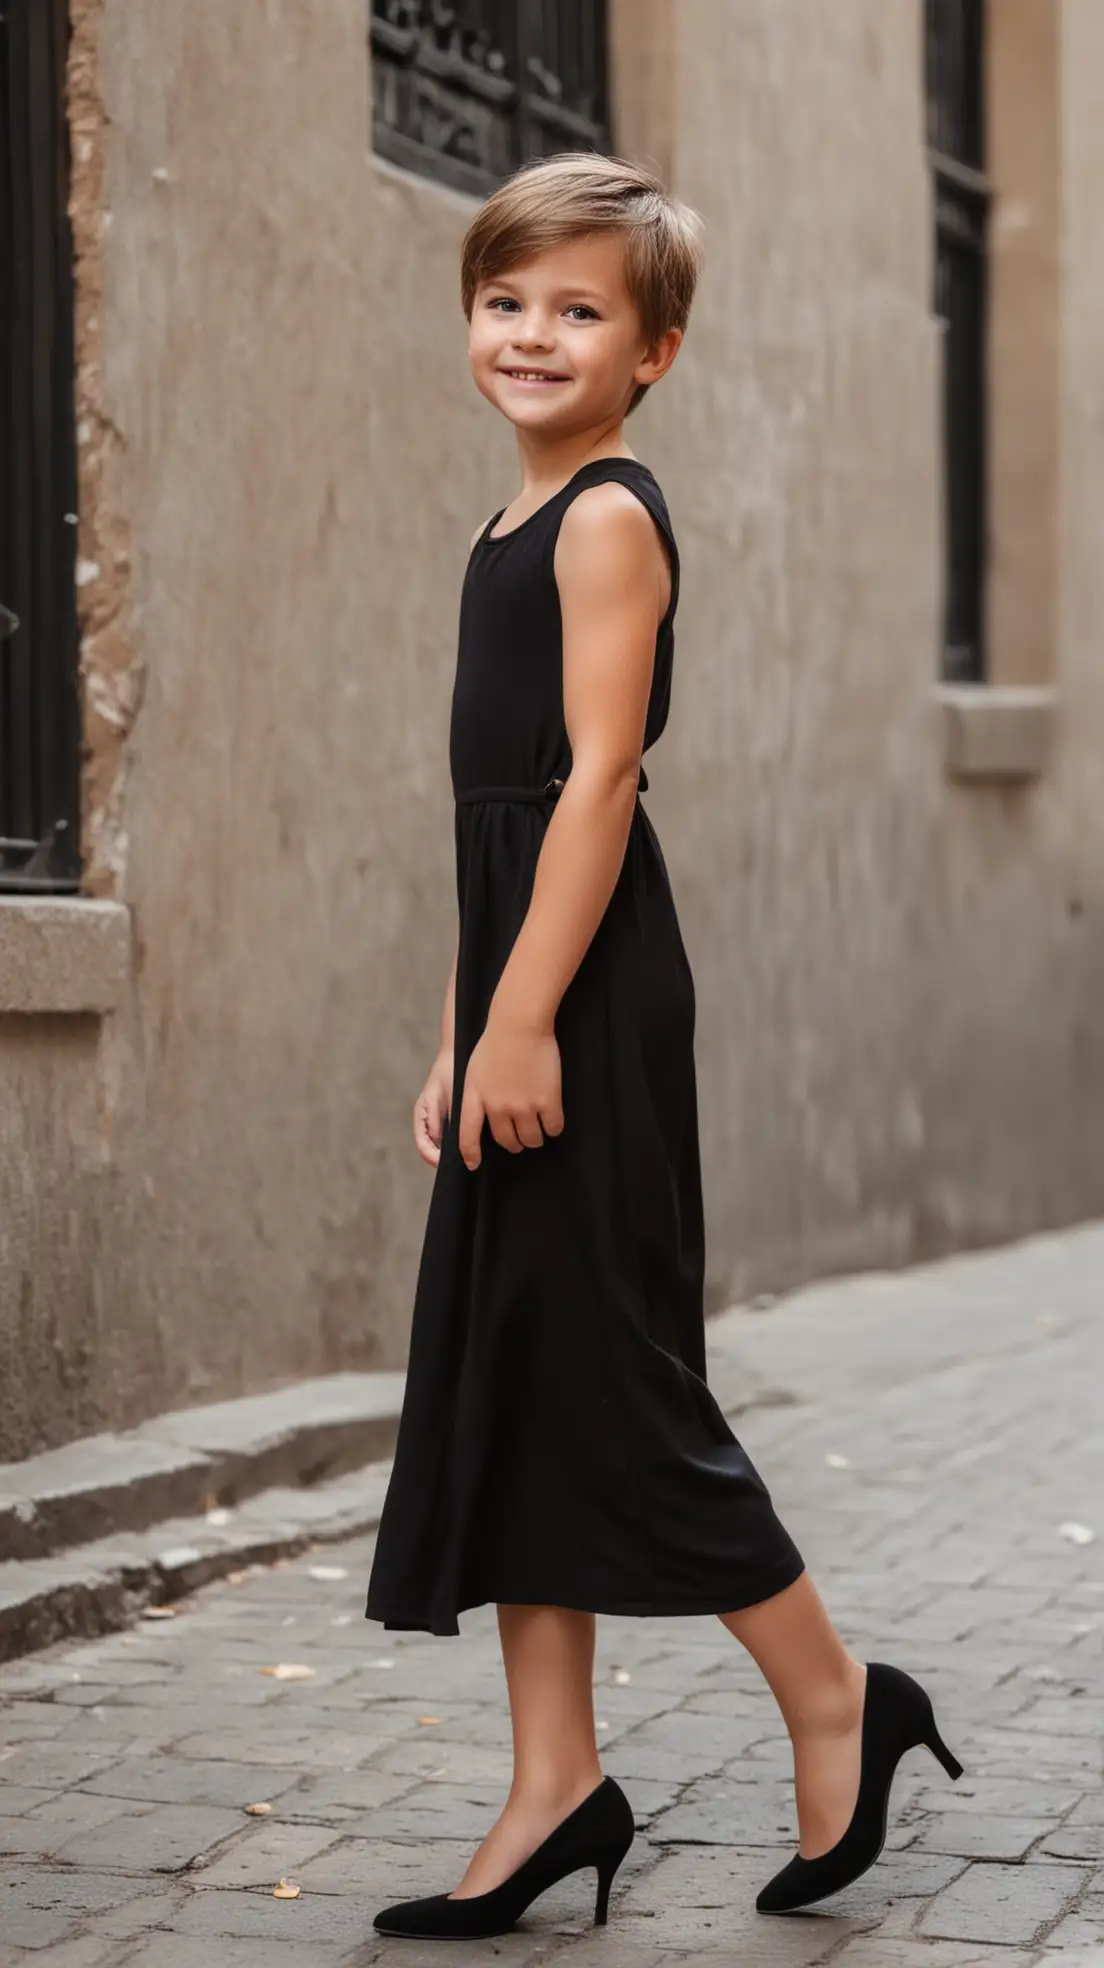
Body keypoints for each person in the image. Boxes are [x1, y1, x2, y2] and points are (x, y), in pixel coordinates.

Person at [365, 151, 961, 1941]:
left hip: (595, 991)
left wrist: (531, 1014)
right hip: (529, 978)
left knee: (619, 1374)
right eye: (505, 300)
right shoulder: (498, 527)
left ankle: (842, 1699)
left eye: (578, 310)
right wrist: (461, 1027)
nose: (531, 335)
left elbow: (598, 780)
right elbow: (498, 817)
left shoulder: (609, 516)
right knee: (527, 1371)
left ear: (656, 354)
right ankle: (557, 1784)